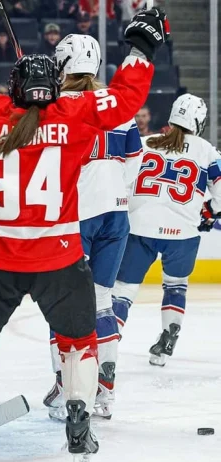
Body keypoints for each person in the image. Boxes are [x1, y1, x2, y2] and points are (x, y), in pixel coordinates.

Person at [0, 0, 168, 462]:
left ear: (14, 88)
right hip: (59, 262)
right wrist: (141, 48)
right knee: (78, 344)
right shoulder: (74, 113)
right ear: (54, 89)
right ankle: (79, 423)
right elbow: (125, 97)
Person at [42, 34, 144, 421]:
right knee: (102, 301)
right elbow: (134, 161)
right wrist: (113, 191)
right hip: (116, 214)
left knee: (61, 302)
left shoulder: (54, 106)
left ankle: (67, 388)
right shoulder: (118, 106)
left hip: (76, 215)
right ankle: (105, 392)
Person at [111, 94, 221, 368]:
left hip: (140, 227)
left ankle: (107, 345)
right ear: (199, 122)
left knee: (123, 290)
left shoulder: (146, 142)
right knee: (175, 285)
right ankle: (168, 335)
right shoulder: (206, 150)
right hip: (183, 233)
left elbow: (122, 179)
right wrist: (209, 211)